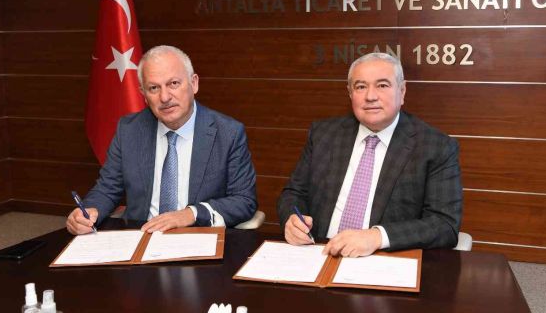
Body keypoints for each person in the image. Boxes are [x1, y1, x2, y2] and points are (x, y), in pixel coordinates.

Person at [277, 52, 462, 257]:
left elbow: (444, 224)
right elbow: (294, 192)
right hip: (319, 251)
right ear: (350, 93)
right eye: (361, 87)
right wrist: (291, 219)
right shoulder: (324, 134)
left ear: (402, 91)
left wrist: (377, 237)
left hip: (383, 258)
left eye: (382, 85)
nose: (370, 96)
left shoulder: (436, 147)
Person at [66, 45, 257, 235]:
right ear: (143, 94)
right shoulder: (129, 130)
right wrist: (88, 212)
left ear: (194, 84)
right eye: (154, 88)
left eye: (173, 83)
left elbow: (244, 200)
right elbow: (107, 188)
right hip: (140, 236)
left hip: (196, 237)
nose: (164, 97)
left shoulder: (228, 133)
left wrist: (191, 213)